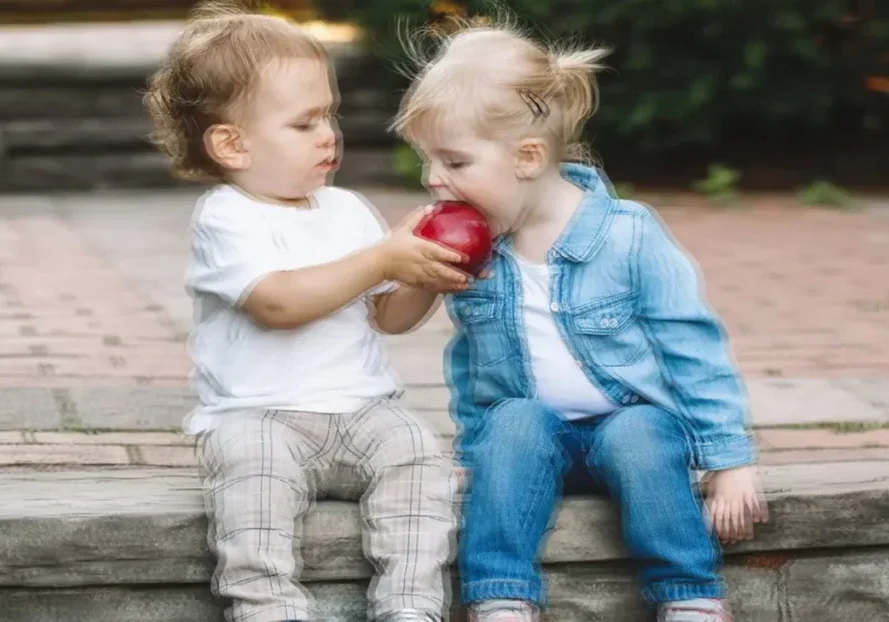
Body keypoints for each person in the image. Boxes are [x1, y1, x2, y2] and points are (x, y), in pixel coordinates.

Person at [390, 14, 769, 622]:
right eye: (426, 161)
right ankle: (500, 596)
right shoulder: (477, 247)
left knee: (641, 432)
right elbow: (470, 360)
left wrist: (730, 462)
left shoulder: (627, 234)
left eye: (454, 162)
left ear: (528, 156)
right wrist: (475, 452)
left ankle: (689, 593)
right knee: (511, 423)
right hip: (535, 440)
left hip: (630, 430)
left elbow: (692, 348)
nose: (433, 179)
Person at [144, 3, 468, 621]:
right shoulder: (227, 215)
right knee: (252, 474)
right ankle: (269, 605)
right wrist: (381, 260)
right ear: (232, 144)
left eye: (330, 116)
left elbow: (390, 318)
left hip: (364, 408)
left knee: (421, 454)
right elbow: (278, 303)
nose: (329, 135)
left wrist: (425, 273)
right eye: (304, 123)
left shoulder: (345, 209)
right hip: (260, 416)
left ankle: (410, 602)